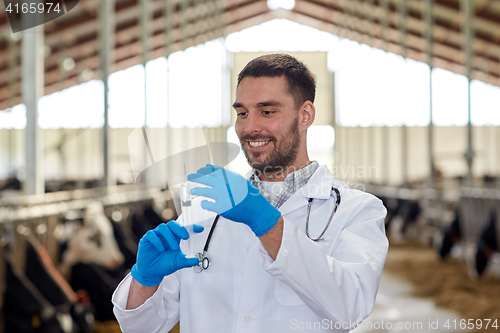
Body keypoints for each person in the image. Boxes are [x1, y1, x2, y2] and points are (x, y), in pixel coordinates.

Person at [112, 53, 389, 332]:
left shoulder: (355, 210)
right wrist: (144, 282)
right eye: (242, 113)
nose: (250, 127)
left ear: (305, 115)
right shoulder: (204, 209)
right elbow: (141, 328)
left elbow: (350, 307)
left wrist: (266, 222)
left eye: (267, 111)